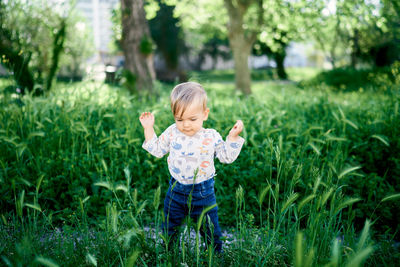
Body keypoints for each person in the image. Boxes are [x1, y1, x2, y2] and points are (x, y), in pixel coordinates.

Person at [139, 81, 244, 253]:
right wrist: (149, 128)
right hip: (176, 190)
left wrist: (232, 137)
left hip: (203, 192)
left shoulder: (211, 136)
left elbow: (226, 157)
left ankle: (214, 256)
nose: (186, 124)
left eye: (192, 119)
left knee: (210, 229)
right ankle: (168, 255)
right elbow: (157, 150)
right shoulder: (172, 132)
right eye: (179, 119)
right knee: (170, 228)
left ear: (205, 114)